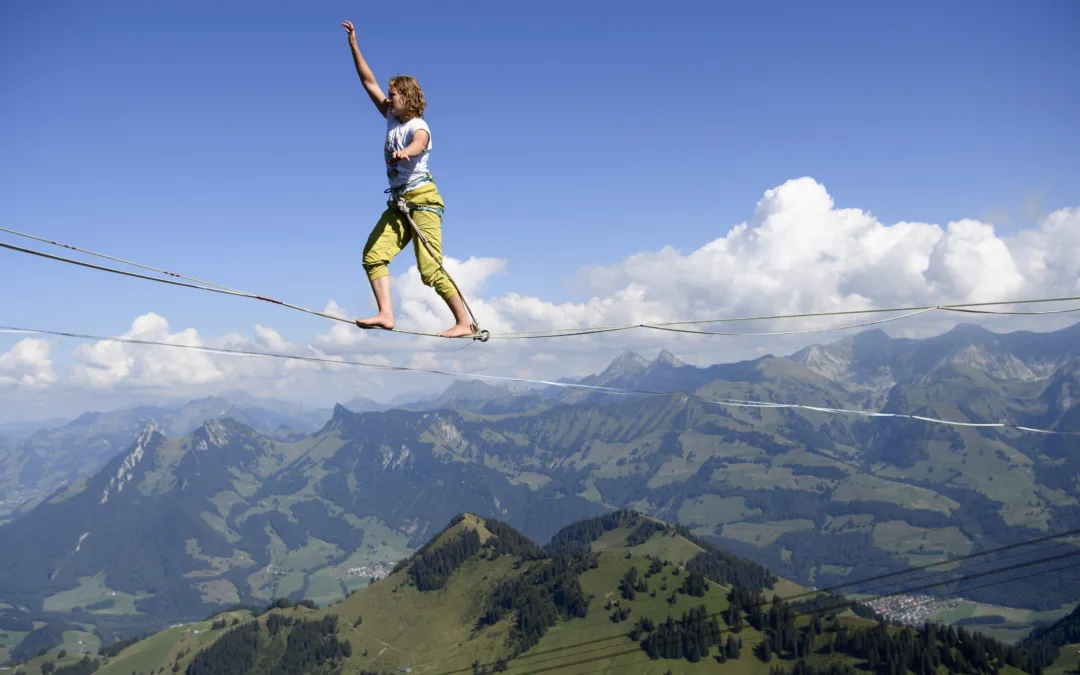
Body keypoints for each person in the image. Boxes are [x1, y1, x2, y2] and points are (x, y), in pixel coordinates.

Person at [342, 20, 474, 338]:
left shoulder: (419, 126)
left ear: (408, 97)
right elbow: (367, 81)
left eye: (394, 95)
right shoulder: (391, 117)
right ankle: (386, 314)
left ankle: (465, 323)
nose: (388, 99)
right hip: (399, 204)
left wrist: (407, 153)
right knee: (373, 256)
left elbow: (419, 143)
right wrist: (354, 47)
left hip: (424, 200)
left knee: (430, 270)